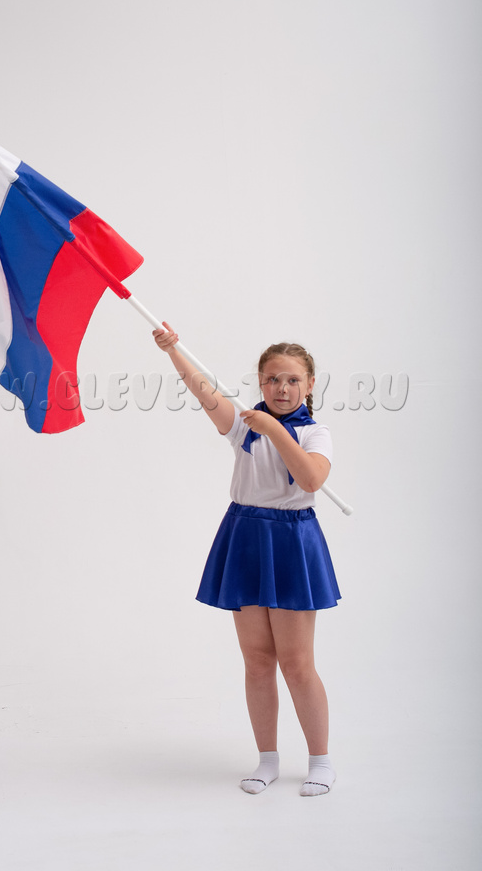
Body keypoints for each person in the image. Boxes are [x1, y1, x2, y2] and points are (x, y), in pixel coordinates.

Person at [153, 322, 341, 797]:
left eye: (293, 380)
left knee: (297, 663)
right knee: (257, 660)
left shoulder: (315, 433)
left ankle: (320, 761)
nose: (282, 388)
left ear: (310, 384)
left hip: (292, 540)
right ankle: (267, 759)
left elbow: (311, 480)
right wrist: (174, 350)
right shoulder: (244, 426)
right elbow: (204, 392)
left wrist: (274, 428)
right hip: (246, 535)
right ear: (261, 381)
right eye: (273, 379)